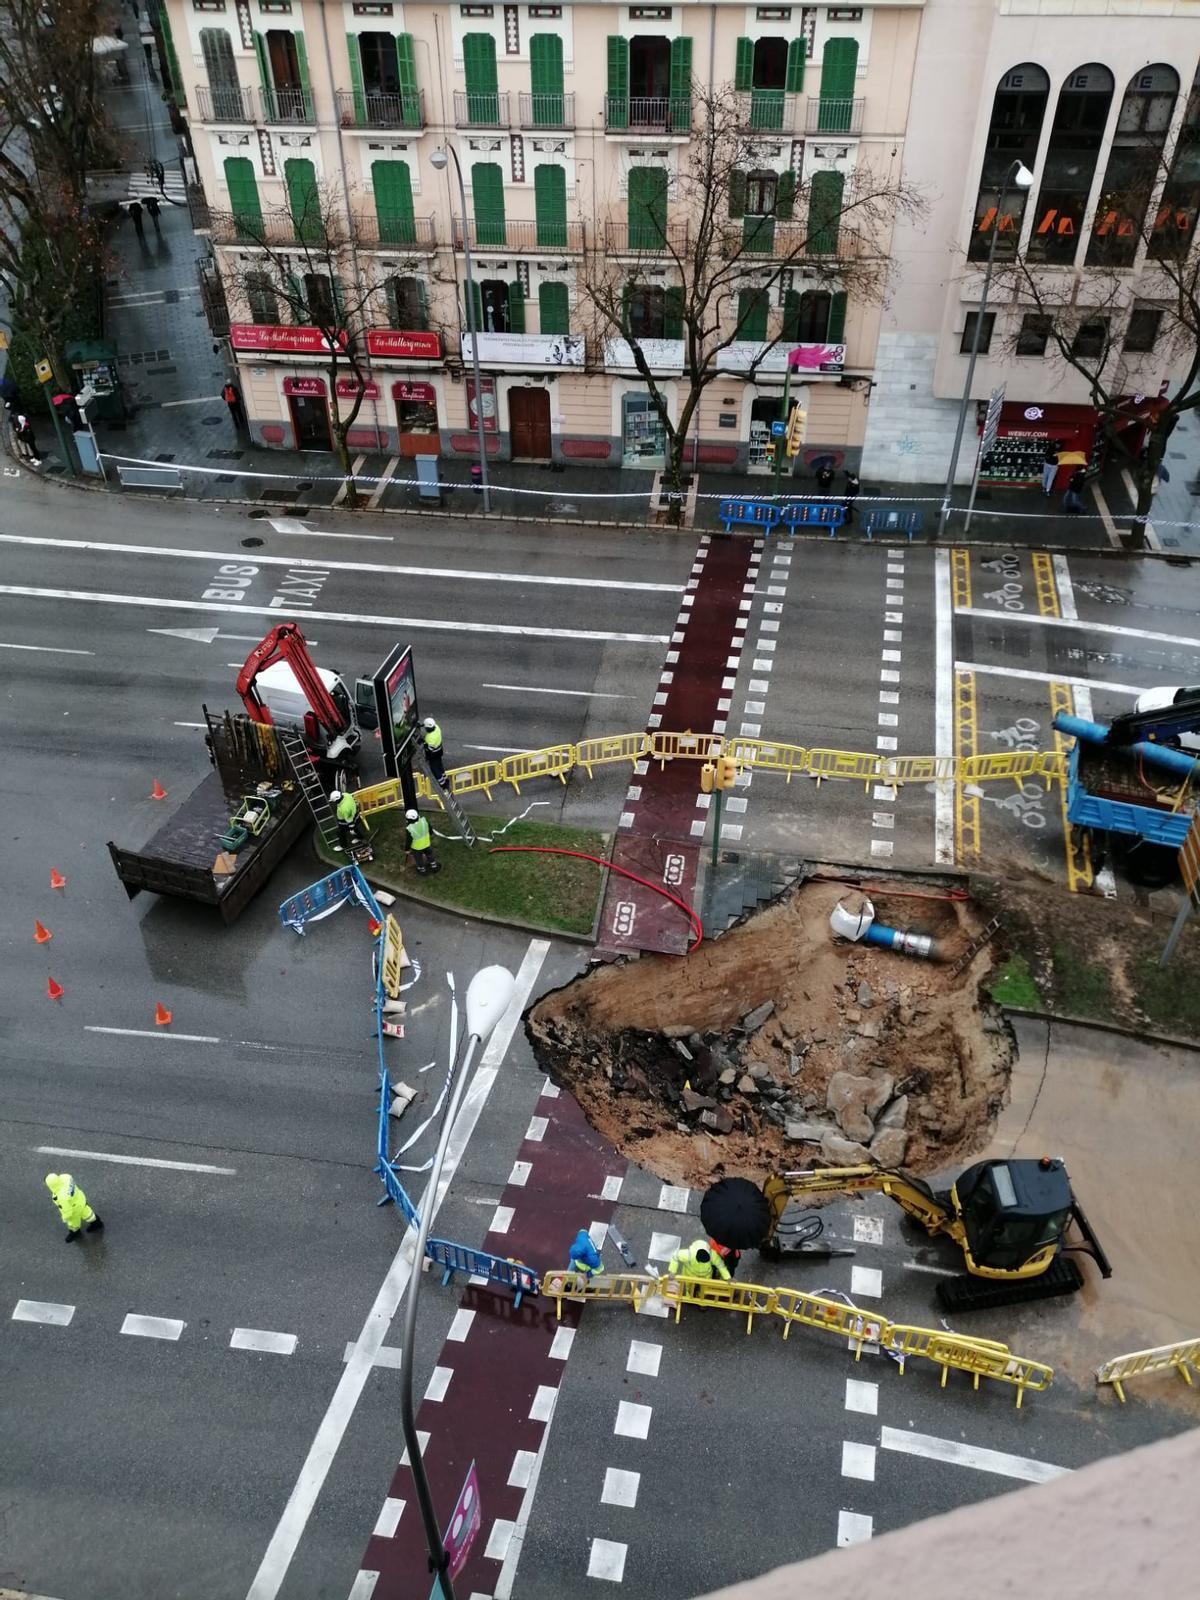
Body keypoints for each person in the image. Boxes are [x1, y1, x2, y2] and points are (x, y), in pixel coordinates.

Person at [45, 1173, 103, 1242]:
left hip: (74, 1210)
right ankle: (97, 1223)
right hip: (81, 1200)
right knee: (89, 1214)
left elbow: (67, 1211)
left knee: (73, 1223)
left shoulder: (61, 1197)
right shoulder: (66, 1177)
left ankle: (75, 1233)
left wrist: (65, 1218)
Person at [666, 1238, 732, 1282]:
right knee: (687, 1289)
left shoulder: (711, 1255)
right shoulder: (690, 1254)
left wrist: (727, 1277)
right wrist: (672, 1272)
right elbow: (675, 1256)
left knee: (703, 1290)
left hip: (700, 1278)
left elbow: (720, 1264)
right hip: (690, 1277)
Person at [331, 788, 370, 856]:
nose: (334, 803)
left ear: (337, 800)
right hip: (355, 814)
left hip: (345, 821)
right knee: (355, 829)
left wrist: (351, 828)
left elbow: (349, 820)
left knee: (341, 833)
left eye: (334, 801)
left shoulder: (344, 808)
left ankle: (343, 846)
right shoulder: (346, 794)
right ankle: (359, 838)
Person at [405, 807, 440, 874]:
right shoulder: (424, 820)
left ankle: (422, 870)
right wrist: (430, 833)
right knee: (430, 855)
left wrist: (407, 850)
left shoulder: (409, 828)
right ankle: (434, 865)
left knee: (419, 859)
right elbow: (430, 830)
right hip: (427, 844)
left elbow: (408, 840)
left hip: (417, 848)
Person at [422, 716, 447, 787]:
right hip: (439, 750)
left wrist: (424, 744)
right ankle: (444, 778)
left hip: (433, 754)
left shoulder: (430, 738)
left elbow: (429, 749)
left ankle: (442, 783)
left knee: (435, 768)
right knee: (440, 765)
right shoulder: (437, 728)